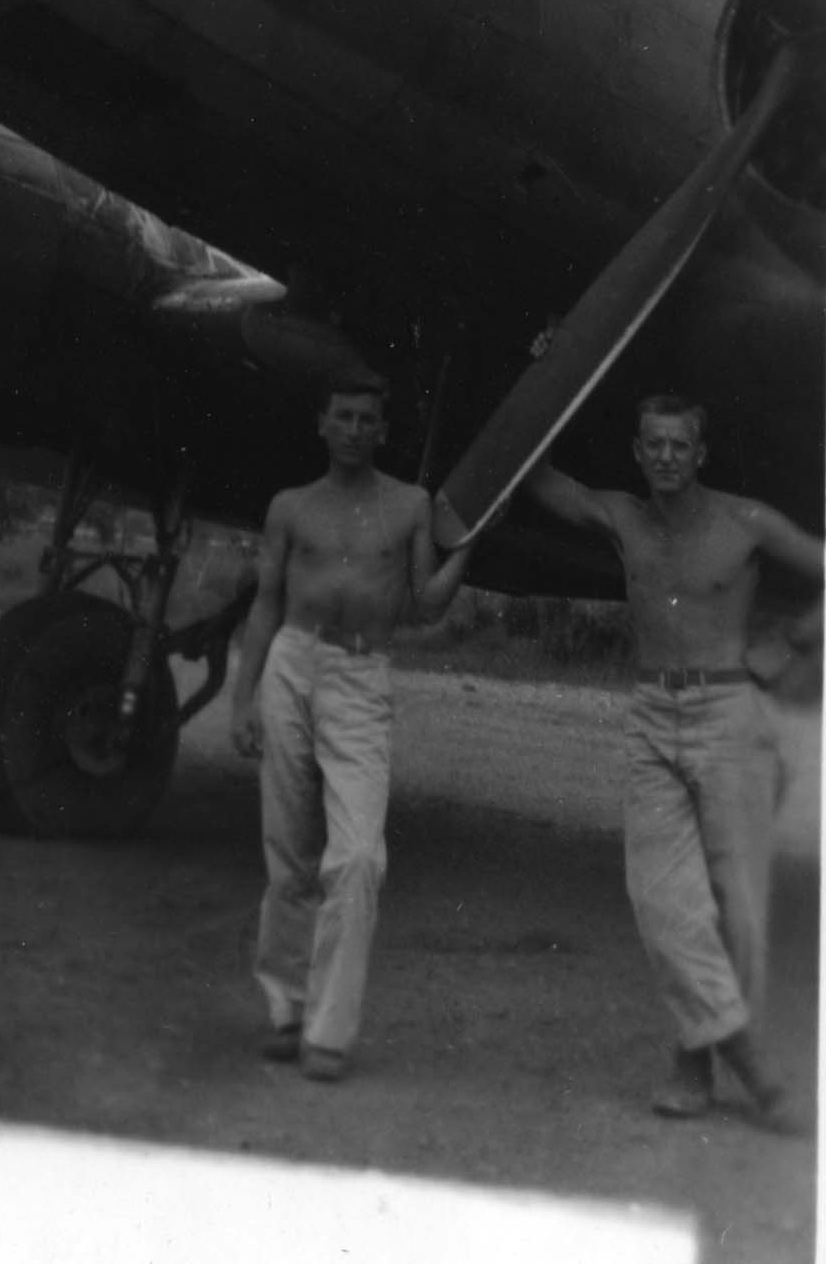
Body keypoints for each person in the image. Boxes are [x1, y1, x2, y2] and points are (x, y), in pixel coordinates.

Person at [524, 393, 822, 1129]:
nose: (663, 457)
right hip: (652, 712)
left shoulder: (744, 521)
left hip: (729, 714)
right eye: (651, 445)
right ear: (636, 453)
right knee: (659, 895)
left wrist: (791, 643)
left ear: (699, 454)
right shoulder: (622, 517)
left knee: (741, 911)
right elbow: (539, 480)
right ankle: (750, 1061)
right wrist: (541, 376)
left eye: (677, 446)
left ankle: (694, 1064)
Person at [229, 370, 470, 1081]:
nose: (356, 430)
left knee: (358, 855)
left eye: (369, 419)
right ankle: (286, 1008)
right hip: (291, 665)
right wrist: (242, 699)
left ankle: (328, 1033)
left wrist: (465, 551)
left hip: (360, 677)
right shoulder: (289, 508)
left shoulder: (408, 506)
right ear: (322, 424)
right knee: (289, 851)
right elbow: (265, 605)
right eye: (344, 417)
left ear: (383, 431)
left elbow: (425, 604)